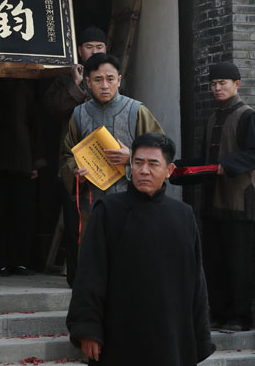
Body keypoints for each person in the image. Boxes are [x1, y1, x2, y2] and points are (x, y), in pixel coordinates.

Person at [66, 132, 216, 365]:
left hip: (171, 333)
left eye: (153, 164)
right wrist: (87, 329)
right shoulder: (108, 211)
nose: (144, 171)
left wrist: (201, 336)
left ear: (169, 170)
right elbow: (90, 273)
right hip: (120, 332)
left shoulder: (183, 216)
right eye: (138, 163)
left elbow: (197, 281)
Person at [175, 61, 255, 331]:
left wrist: (225, 166)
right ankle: (219, 314)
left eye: (222, 83)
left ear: (237, 84)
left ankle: (241, 317)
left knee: (239, 264)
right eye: (213, 84)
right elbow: (205, 162)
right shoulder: (213, 118)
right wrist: (176, 170)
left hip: (241, 204)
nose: (217, 88)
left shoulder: (249, 116)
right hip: (213, 203)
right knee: (214, 262)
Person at [60, 53, 163, 245]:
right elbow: (67, 154)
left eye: (110, 79)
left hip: (132, 204)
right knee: (94, 255)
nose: (105, 85)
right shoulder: (79, 114)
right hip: (92, 204)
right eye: (98, 80)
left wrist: (132, 158)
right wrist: (76, 172)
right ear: (88, 82)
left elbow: (162, 152)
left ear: (119, 80)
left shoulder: (136, 111)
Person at [44, 26, 107, 287]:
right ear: (80, 50)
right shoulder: (65, 79)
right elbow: (54, 109)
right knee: (75, 223)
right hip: (75, 164)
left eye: (99, 47)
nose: (94, 51)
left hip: (107, 165)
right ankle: (77, 279)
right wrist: (76, 84)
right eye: (89, 47)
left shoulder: (109, 77)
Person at [0, 79, 46, 276]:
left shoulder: (24, 87)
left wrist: (36, 161)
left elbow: (34, 124)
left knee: (22, 213)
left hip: (21, 159)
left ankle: (21, 260)